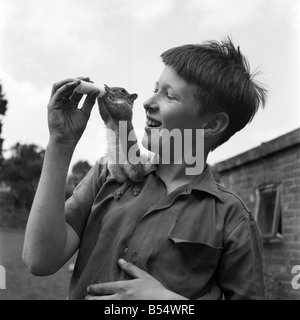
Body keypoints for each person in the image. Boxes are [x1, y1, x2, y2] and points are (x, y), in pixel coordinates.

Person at [22, 37, 267, 300]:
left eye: (169, 95)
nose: (148, 102)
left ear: (211, 125)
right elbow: (39, 260)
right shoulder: (109, 173)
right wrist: (61, 142)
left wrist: (167, 302)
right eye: (155, 89)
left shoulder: (232, 218)